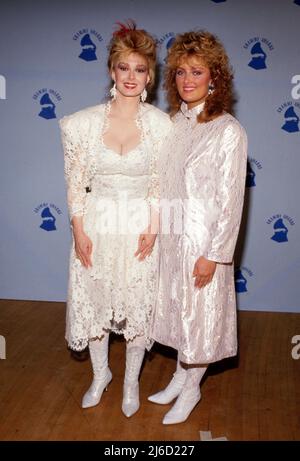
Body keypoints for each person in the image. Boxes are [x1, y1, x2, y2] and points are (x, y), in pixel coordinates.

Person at [59, 21, 172, 417]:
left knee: (137, 307)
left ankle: (130, 384)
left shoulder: (162, 126)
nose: (131, 77)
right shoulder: (81, 124)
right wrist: (78, 229)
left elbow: (161, 184)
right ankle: (101, 374)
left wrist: (153, 228)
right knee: (97, 303)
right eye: (124, 67)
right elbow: (75, 185)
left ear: (149, 75)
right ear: (111, 69)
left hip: (140, 226)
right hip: (97, 224)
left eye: (139, 69)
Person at [149, 30, 248, 424]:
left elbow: (231, 201)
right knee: (178, 317)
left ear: (215, 78)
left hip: (205, 246)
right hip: (173, 242)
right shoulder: (176, 124)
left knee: (201, 321)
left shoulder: (228, 131)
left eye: (197, 71)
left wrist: (215, 255)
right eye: (179, 72)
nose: (187, 80)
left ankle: (191, 390)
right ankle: (178, 377)